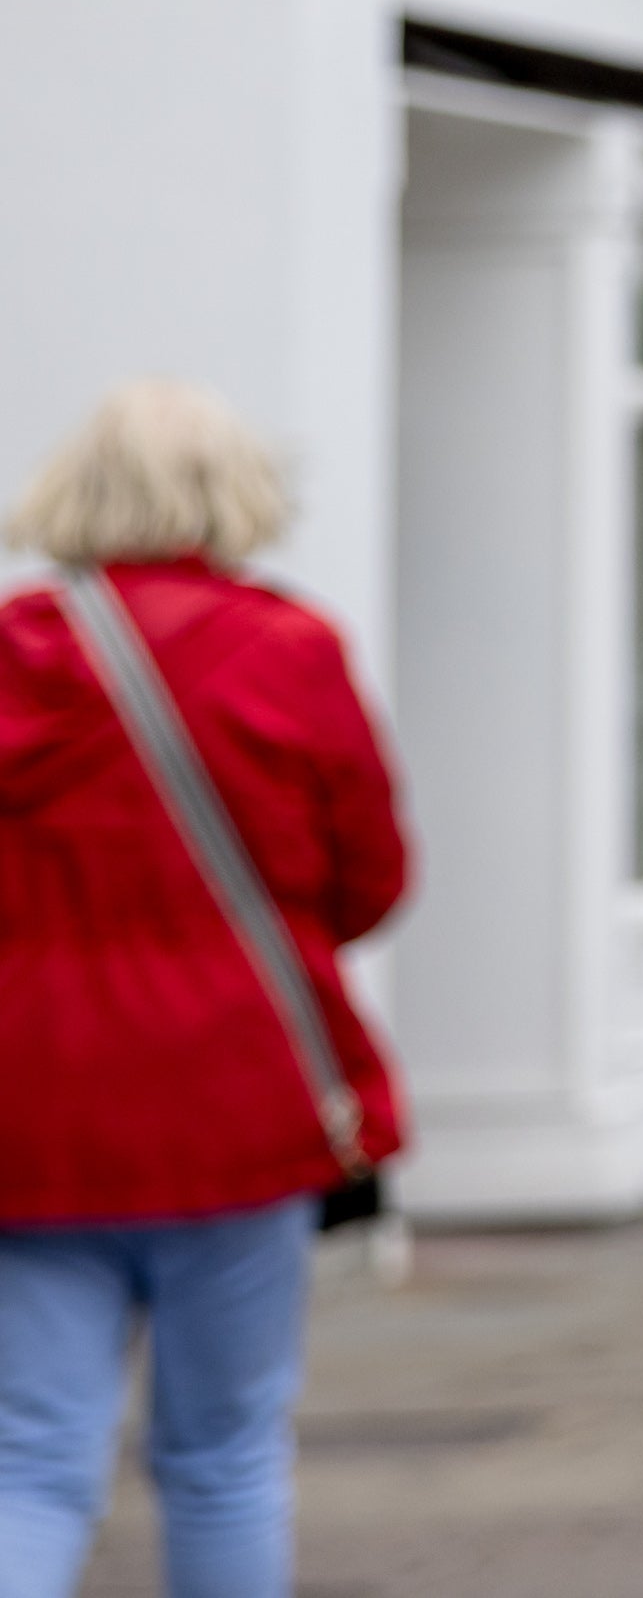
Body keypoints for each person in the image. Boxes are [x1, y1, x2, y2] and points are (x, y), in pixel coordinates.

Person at [0, 382, 409, 1598]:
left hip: (34, 1104)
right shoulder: (288, 648)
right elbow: (371, 877)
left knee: (31, 1450)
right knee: (224, 1452)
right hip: (237, 1096)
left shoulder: (13, 650)